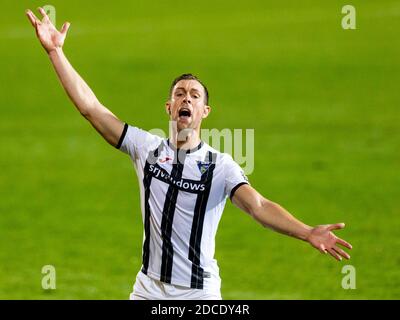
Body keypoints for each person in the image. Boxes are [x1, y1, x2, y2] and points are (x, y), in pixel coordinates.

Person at [26, 8, 353, 300]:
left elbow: (259, 206)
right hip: (148, 289)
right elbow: (91, 108)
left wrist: (307, 232)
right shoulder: (146, 148)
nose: (186, 99)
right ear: (169, 107)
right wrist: (55, 52)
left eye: (194, 95)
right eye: (179, 94)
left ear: (205, 111)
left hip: (199, 293)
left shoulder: (220, 166)